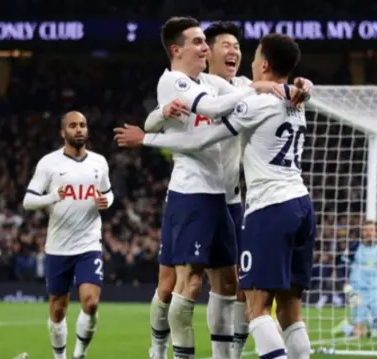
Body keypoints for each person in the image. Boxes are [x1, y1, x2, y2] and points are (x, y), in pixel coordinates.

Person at [115, 33, 315, 359]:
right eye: (226, 45)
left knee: (256, 305)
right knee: (290, 310)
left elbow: (198, 140)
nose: (237, 52)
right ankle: (162, 350)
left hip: (268, 207)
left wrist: (146, 139)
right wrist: (299, 86)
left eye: (245, 50)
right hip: (300, 202)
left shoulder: (254, 99)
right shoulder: (292, 98)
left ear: (263, 64)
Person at [22, 111, 114, 359]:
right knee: (58, 309)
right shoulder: (49, 163)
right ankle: (59, 357)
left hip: (88, 244)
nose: (79, 129)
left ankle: (79, 354)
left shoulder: (99, 162)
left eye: (83, 125)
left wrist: (107, 200)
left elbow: (108, 191)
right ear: (63, 132)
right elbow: (28, 200)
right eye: (73, 125)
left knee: (91, 302)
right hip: (58, 247)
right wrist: (52, 197)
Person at [334, 221, 377, 338]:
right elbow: (340, 267)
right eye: (366, 230)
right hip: (357, 291)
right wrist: (345, 285)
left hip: (376, 290)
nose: (369, 233)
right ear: (362, 233)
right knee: (359, 334)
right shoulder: (354, 248)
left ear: (376, 233)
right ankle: (346, 327)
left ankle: (372, 322)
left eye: (371, 230)